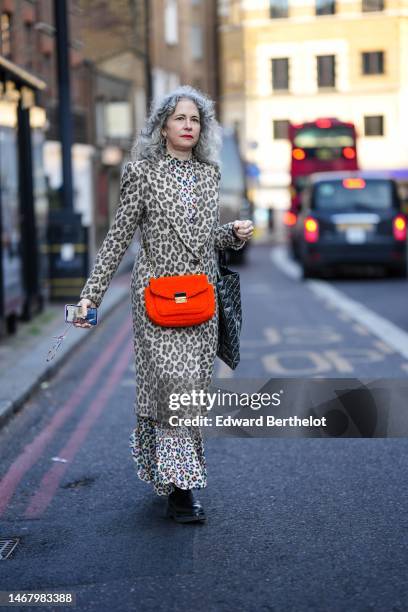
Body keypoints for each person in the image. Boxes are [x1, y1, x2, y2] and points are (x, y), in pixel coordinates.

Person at [75, 85, 254, 523]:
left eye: (195, 119)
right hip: (156, 301)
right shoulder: (142, 172)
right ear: (162, 126)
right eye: (180, 118)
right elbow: (118, 237)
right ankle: (183, 489)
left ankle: (174, 474)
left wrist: (230, 234)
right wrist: (90, 295)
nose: (188, 125)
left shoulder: (209, 175)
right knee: (173, 386)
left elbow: (203, 240)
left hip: (201, 301)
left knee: (190, 394)